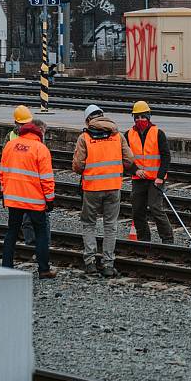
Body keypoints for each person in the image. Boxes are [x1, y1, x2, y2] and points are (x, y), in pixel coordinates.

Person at [73, 104, 139, 277]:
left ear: (88, 120)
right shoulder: (117, 136)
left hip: (92, 188)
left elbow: (78, 165)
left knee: (89, 223)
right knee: (110, 226)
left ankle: (90, 263)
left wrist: (90, 170)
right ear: (102, 115)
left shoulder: (84, 137)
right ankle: (108, 265)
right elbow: (130, 160)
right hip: (113, 187)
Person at [0, 112, 56, 278]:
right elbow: (47, 179)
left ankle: (6, 268)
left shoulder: (10, 145)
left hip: (13, 199)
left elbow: (2, 173)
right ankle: (44, 269)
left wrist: (5, 193)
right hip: (34, 200)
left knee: (11, 232)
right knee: (41, 234)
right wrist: (50, 199)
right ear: (38, 133)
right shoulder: (41, 149)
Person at [125, 101, 174, 245]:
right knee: (137, 211)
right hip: (138, 178)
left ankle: (167, 239)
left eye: (143, 117)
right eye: (137, 117)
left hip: (155, 180)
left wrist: (160, 177)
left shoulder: (158, 133)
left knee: (155, 208)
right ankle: (144, 240)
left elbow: (166, 157)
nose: (140, 120)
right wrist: (135, 170)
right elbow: (125, 157)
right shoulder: (128, 135)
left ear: (148, 117)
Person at [3, 106, 51, 247]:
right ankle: (36, 247)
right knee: (34, 221)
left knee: (23, 224)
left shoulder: (16, 137)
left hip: (21, 188)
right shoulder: (15, 137)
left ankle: (36, 246)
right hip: (28, 188)